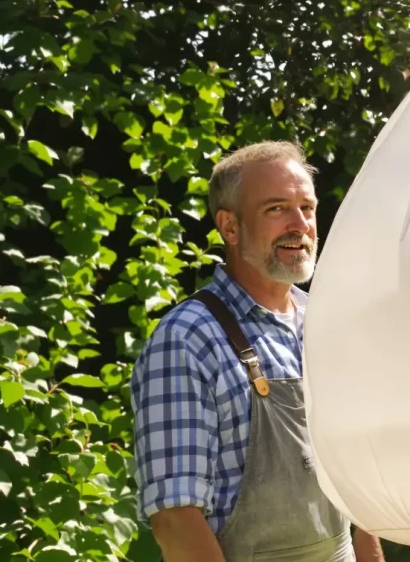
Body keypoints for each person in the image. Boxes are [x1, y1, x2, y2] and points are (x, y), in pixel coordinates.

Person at [130, 140, 386, 562]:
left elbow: (356, 486)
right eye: (276, 209)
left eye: (307, 207)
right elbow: (176, 522)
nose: (299, 224)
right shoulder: (186, 340)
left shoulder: (322, 323)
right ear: (229, 227)